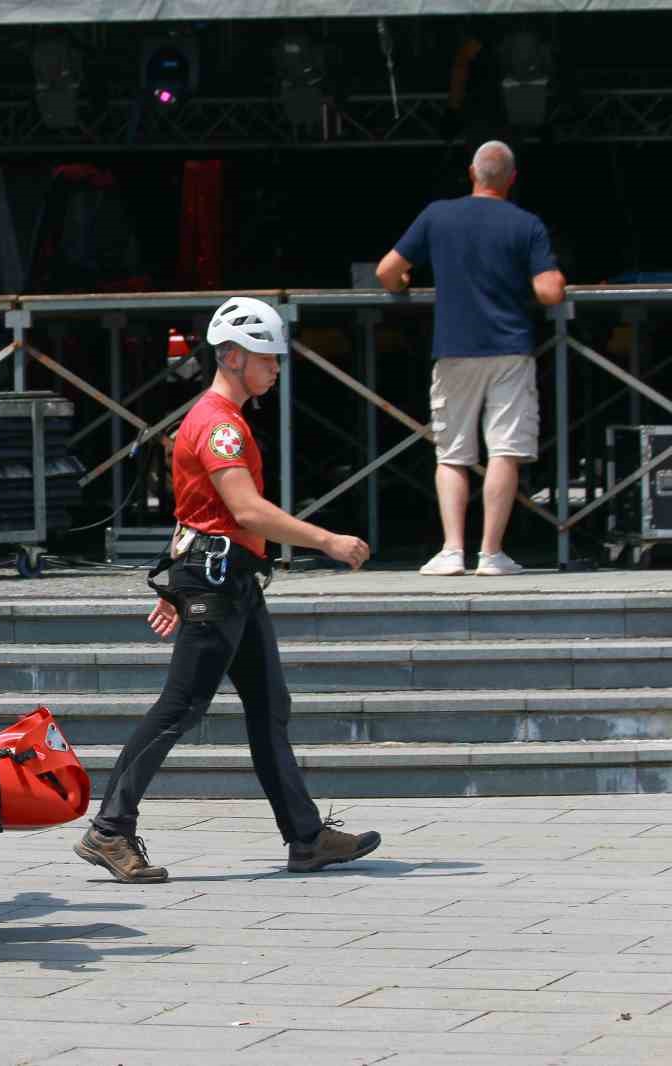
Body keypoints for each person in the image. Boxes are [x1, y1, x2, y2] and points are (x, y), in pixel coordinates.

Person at [74, 297, 382, 884]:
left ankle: (306, 837)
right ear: (235, 357)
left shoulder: (223, 418)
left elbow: (198, 511)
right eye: (269, 356)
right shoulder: (219, 423)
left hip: (227, 580)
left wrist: (172, 582)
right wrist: (327, 540)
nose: (277, 367)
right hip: (216, 582)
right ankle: (110, 829)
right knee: (181, 706)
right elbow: (244, 509)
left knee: (269, 708)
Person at [376, 140, 568, 577]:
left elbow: (388, 271)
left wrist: (404, 282)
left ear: (472, 173)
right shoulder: (527, 224)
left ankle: (451, 550)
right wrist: (554, 277)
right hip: (510, 350)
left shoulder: (437, 215)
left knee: (452, 453)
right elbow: (549, 292)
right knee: (504, 451)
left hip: (453, 349)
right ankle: (492, 554)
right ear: (512, 179)